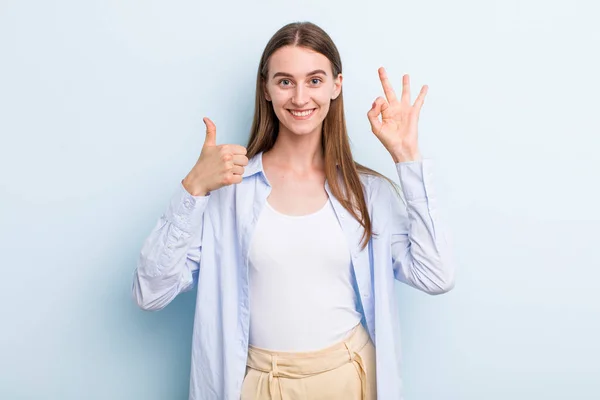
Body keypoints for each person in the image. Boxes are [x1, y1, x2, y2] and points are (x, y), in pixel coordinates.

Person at [132, 21, 455, 400]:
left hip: (350, 378)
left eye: (314, 80)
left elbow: (437, 276)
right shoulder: (227, 192)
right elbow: (150, 292)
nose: (300, 97)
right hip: (257, 384)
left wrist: (407, 158)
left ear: (337, 85)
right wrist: (193, 189)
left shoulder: (369, 193)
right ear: (266, 89)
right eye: (285, 81)